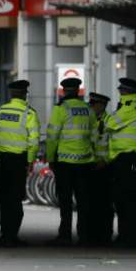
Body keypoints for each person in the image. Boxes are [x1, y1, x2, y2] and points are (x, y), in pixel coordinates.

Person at [46, 78, 94, 246]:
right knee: (83, 201)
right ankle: (84, 235)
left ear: (64, 91)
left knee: (65, 202)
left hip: (65, 162)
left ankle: (65, 235)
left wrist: (51, 158)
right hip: (85, 162)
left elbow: (52, 136)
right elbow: (95, 136)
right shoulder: (88, 109)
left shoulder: (60, 109)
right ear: (78, 91)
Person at [0, 80, 39, 247]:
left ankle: (5, 234)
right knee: (16, 199)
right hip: (19, 162)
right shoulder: (29, 113)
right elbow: (33, 140)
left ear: (11, 94)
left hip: (1, 160)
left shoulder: (0, 111)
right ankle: (12, 235)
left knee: (3, 198)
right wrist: (30, 161)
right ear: (25, 93)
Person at [104, 78, 136, 248]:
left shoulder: (131, 108)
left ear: (125, 91)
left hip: (128, 158)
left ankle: (130, 237)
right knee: (124, 199)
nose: (120, 92)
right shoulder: (131, 107)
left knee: (127, 199)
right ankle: (127, 235)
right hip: (126, 159)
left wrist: (112, 116)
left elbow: (109, 123)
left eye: (121, 90)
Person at [87, 92, 115, 246]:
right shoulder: (88, 120)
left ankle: (105, 235)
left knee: (105, 204)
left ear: (102, 106)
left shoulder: (110, 121)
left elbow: (114, 144)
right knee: (90, 204)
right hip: (90, 166)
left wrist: (106, 160)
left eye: (94, 104)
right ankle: (91, 235)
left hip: (105, 168)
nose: (91, 107)